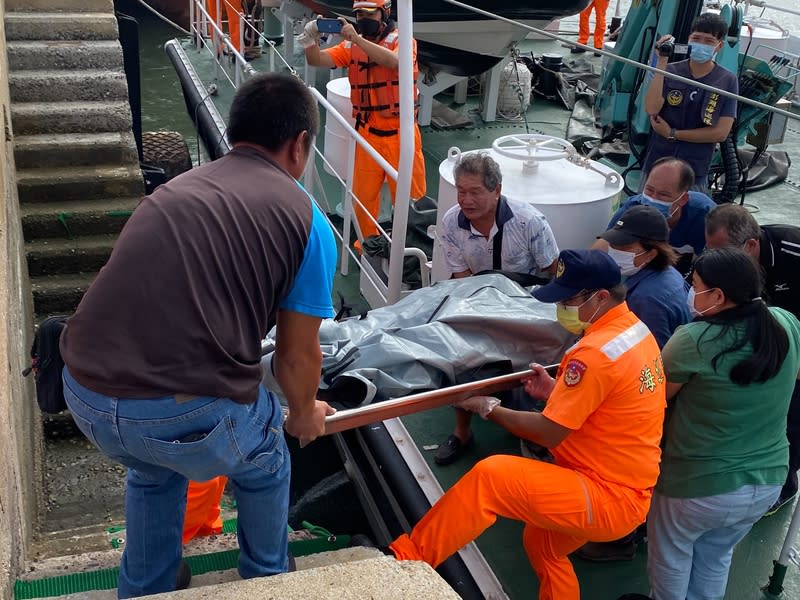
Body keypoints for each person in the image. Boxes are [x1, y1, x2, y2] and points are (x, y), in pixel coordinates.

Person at [59, 73, 337, 598]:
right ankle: (266, 581)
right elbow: (297, 359)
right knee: (267, 454)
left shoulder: (180, 187)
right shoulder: (308, 219)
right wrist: (304, 414)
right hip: (172, 414)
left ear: (235, 133)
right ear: (300, 144)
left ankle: (146, 586)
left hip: (85, 395)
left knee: (153, 471)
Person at [388, 249, 666, 600]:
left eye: (568, 299)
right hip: (630, 486)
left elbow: (548, 432)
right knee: (543, 543)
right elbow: (615, 404)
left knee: (492, 479)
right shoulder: (636, 332)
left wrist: (489, 408)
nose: (561, 307)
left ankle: (406, 563)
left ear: (600, 297)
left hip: (606, 493)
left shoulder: (595, 354)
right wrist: (558, 393)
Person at [646, 248, 800, 600]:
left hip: (698, 485)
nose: (690, 291)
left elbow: (655, 399)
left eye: (695, 284)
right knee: (715, 557)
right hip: (768, 481)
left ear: (717, 295)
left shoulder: (694, 340)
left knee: (672, 558)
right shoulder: (786, 323)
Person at [433, 152, 559, 465]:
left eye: (475, 191)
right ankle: (463, 431)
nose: (466, 200)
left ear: (496, 190)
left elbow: (553, 271)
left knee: (527, 369)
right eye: (461, 191)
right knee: (459, 359)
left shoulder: (529, 222)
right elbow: (461, 279)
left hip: (526, 303)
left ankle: (527, 424)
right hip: (477, 297)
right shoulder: (451, 223)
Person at [300, 0, 427, 243]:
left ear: (385, 13)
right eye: (359, 13)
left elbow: (394, 62)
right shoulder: (351, 46)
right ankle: (368, 247)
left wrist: (357, 40)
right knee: (362, 198)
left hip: (402, 137)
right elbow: (317, 60)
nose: (363, 18)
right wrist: (309, 38)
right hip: (367, 135)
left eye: (370, 13)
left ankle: (411, 253)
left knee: (412, 200)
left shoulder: (404, 41)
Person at [705, 203, 800, 515]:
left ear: (752, 246)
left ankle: (784, 485)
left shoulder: (792, 253)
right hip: (767, 332)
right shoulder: (725, 260)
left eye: (725, 253)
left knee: (793, 414)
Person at [642, 12, 738, 193]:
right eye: (696, 38)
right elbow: (651, 108)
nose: (701, 44)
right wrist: (661, 61)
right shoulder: (670, 70)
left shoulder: (727, 80)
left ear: (719, 46)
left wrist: (673, 133)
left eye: (708, 41)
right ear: (688, 40)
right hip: (658, 162)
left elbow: (720, 133)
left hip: (694, 169)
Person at [600, 205, 690, 348]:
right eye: (613, 245)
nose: (615, 251)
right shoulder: (668, 273)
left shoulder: (646, 300)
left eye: (625, 248)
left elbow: (652, 352)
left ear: (651, 254)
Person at [608, 157, 716, 275]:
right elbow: (604, 248)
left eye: (663, 195)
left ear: (683, 199)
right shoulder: (632, 208)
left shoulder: (705, 216)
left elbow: (713, 266)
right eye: (649, 190)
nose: (652, 199)